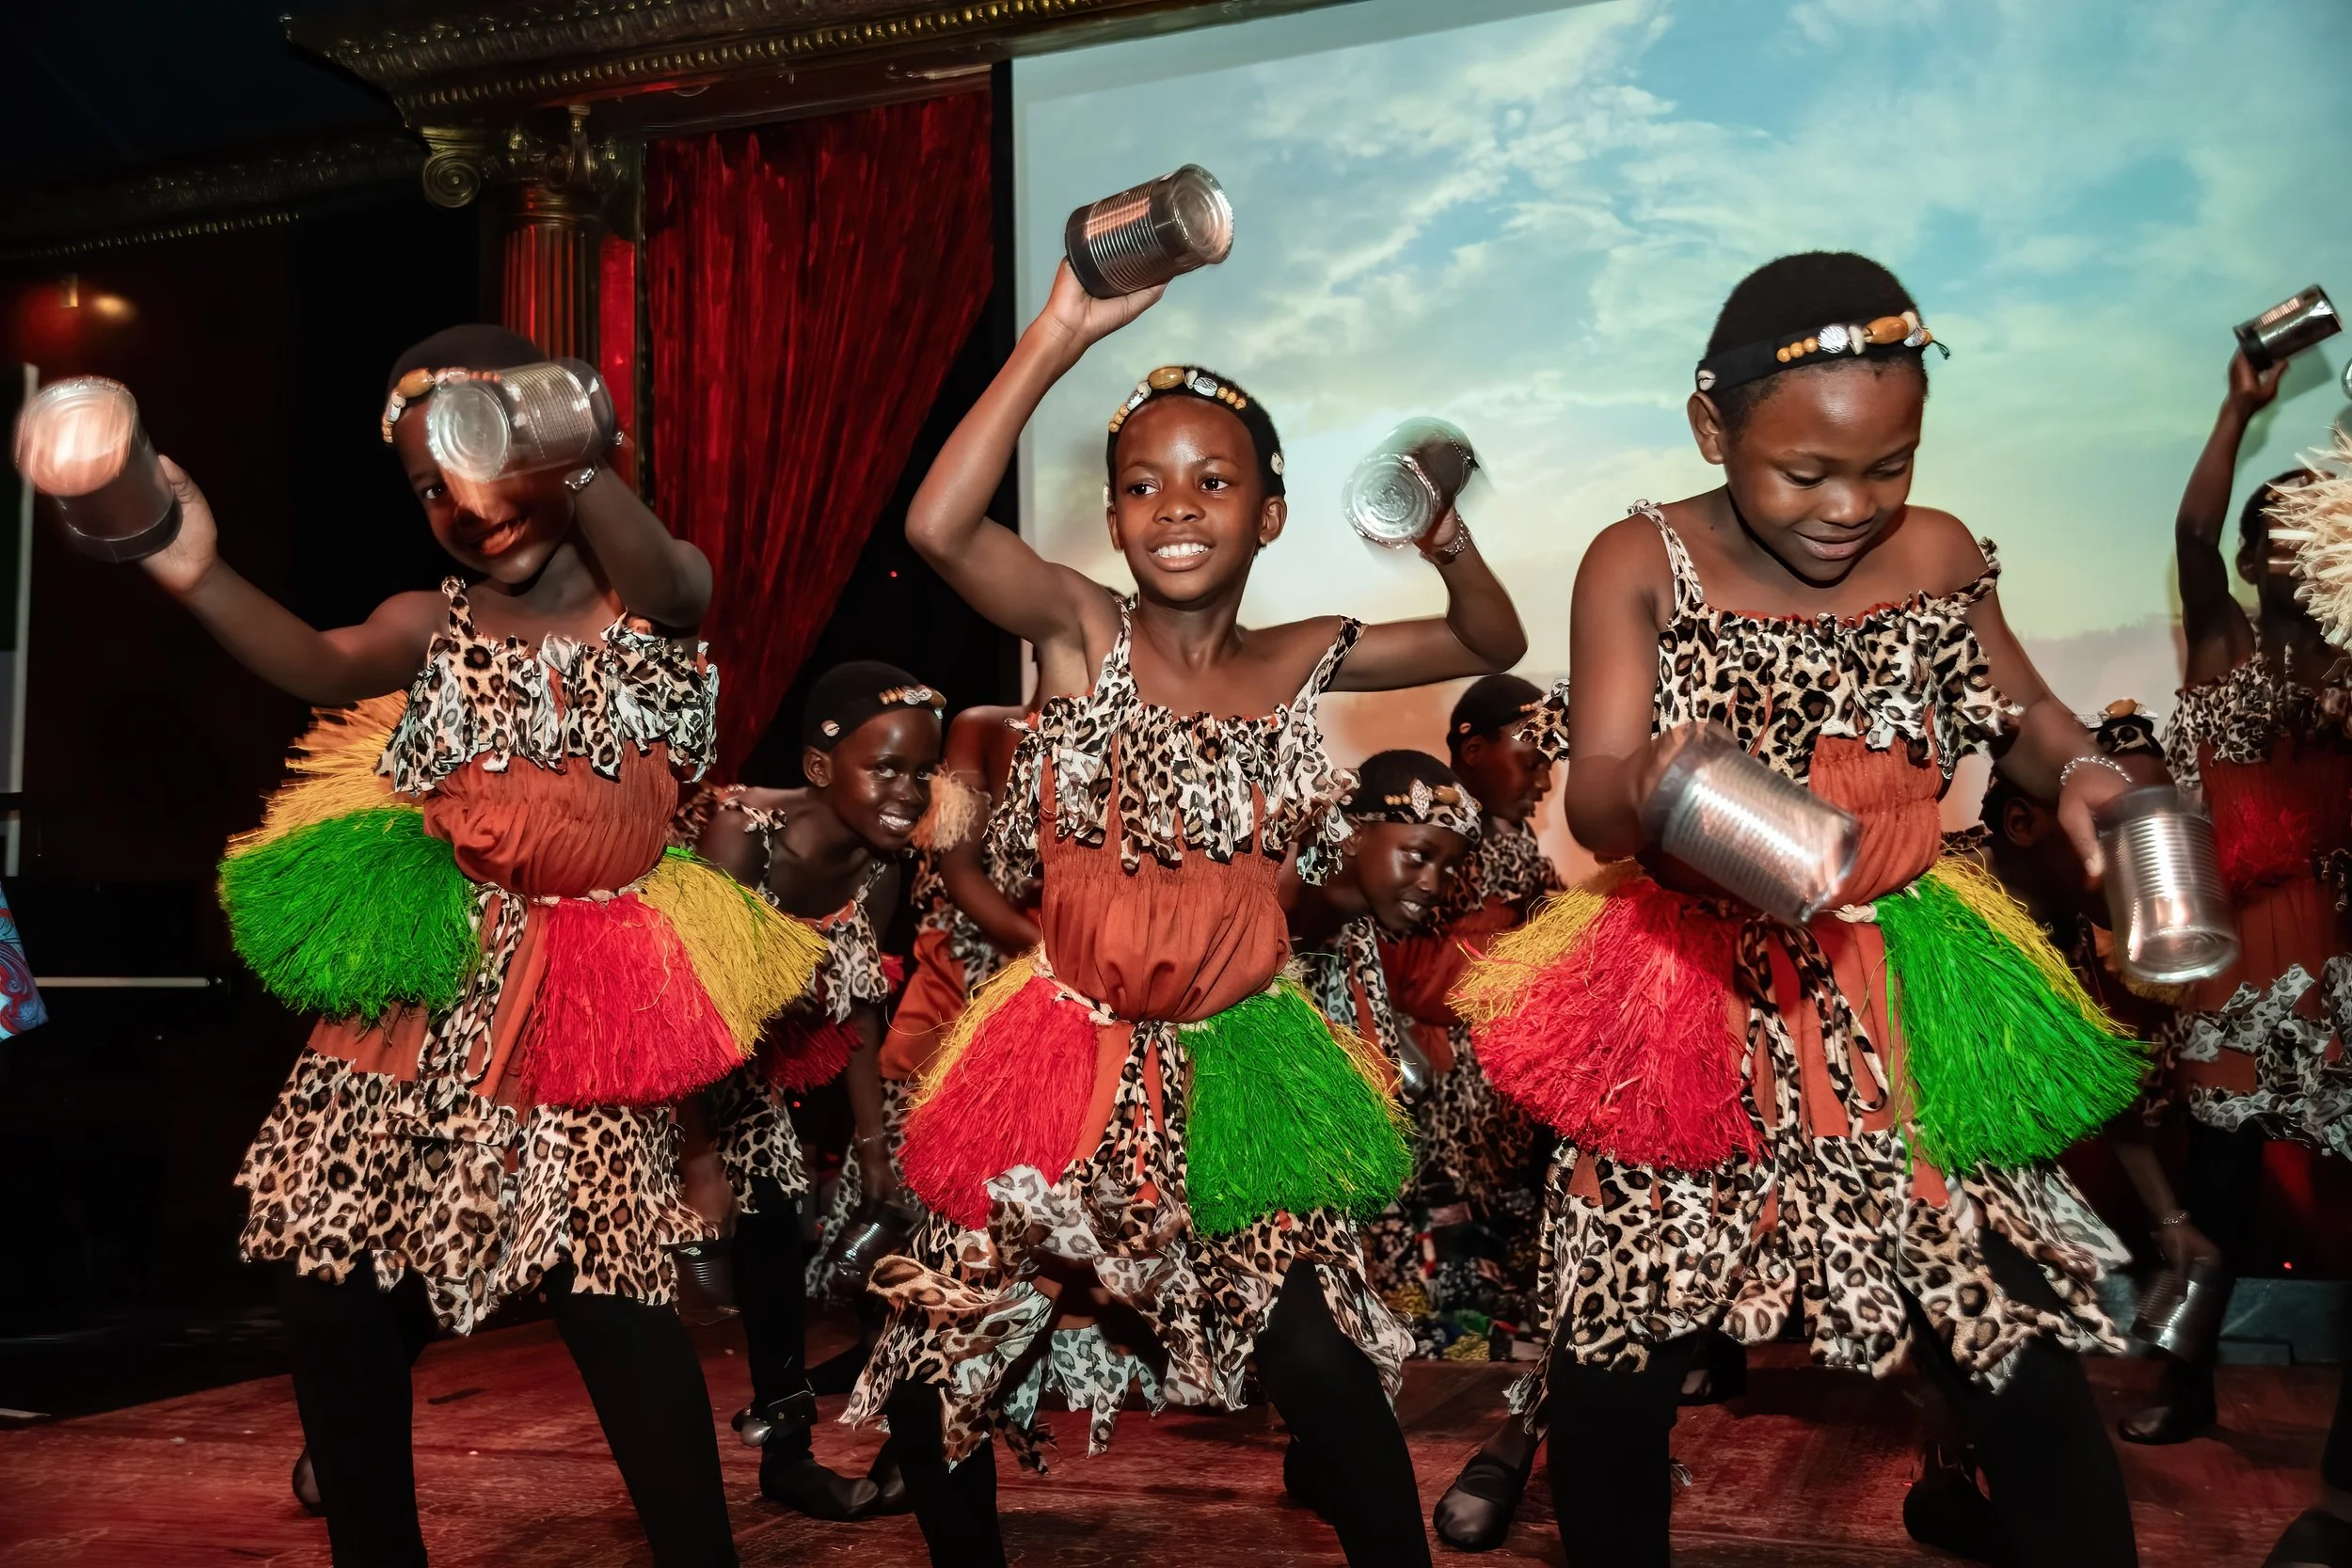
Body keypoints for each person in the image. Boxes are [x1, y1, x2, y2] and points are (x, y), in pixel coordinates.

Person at [1454, 253, 2148, 1568]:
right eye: (1808, 473)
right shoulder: (1637, 560)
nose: (1851, 506)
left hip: (1898, 990)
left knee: (2015, 1360)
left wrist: (2094, 778)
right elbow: (1599, 795)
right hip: (1687, 994)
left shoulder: (1938, 551)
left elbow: (2035, 720)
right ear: (1714, 427)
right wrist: (1651, 783)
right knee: (1616, 1372)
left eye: (1886, 466)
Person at [849, 261, 1527, 1568]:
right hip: (1062, 1060)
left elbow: (1486, 635)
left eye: (1214, 481)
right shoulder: (1078, 630)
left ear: (1269, 514)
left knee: (1321, 1367)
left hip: (1239, 1067)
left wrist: (1442, 533)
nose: (1177, 505)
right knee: (949, 1368)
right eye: (1145, 482)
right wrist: (1061, 328)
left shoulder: (1300, 657)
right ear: (1109, 516)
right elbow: (939, 528)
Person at [186, 325, 804, 1568]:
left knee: (611, 1292)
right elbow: (314, 659)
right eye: (429, 483)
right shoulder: (433, 619)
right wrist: (181, 558)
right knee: (329, 1266)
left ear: (569, 442)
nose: (466, 500)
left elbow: (679, 584)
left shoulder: (654, 593)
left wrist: (558, 444)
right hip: (429, 988)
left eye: (483, 456)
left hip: (585, 988)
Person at [2122, 351, 2348, 1452]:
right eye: (2267, 532)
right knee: (2217, 1180)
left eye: (2302, 527)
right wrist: (2235, 411)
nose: (2277, 547)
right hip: (2233, 948)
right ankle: (2186, 1377)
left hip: (2336, 942)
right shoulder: (2224, 643)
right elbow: (2188, 539)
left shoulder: (2348, 665)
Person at [691, 660, 944, 1521]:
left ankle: (786, 1454)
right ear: (819, 769)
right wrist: (697, 1157)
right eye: (887, 768)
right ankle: (353, 1430)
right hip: (645, 1055)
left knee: (773, 1226)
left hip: (742, 1069)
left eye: (922, 771)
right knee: (502, 1245)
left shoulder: (882, 867)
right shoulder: (743, 833)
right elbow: (689, 1004)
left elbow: (857, 1006)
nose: (909, 791)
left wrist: (878, 1161)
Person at [1286, 749, 1481, 1365]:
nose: (1432, 884)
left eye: (1447, 869)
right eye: (1418, 855)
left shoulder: (1355, 940)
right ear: (1353, 834)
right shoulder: (1268, 894)